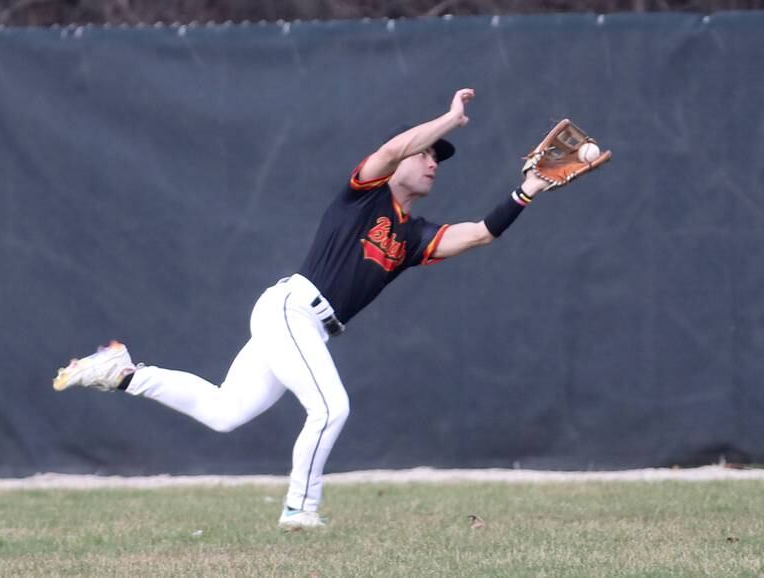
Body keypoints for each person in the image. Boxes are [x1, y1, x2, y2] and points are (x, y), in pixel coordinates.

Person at [53, 88, 564, 529]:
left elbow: (478, 234)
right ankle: (300, 509)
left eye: (438, 156)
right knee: (330, 407)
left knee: (224, 413)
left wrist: (528, 191)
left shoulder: (413, 235)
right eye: (427, 152)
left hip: (308, 327)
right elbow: (390, 148)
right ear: (404, 156)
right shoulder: (362, 195)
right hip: (291, 309)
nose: (433, 161)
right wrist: (450, 119)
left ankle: (123, 373)